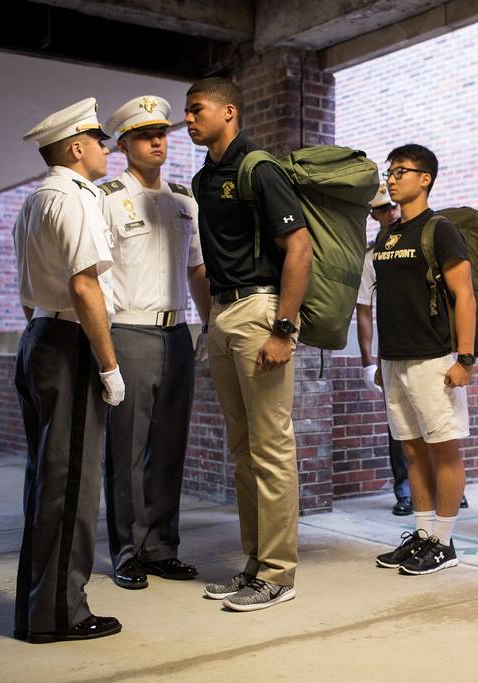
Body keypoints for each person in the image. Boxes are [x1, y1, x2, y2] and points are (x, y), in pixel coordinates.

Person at [186, 77, 312, 610]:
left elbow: (299, 248)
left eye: (196, 110)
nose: (188, 120)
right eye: (187, 112)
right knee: (243, 451)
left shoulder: (258, 168)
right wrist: (212, 318)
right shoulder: (202, 178)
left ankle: (279, 574)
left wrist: (284, 329)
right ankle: (255, 564)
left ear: (228, 111)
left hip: (261, 310)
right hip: (222, 313)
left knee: (271, 447)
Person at [13, 97, 125, 643]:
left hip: (38, 337)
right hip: (70, 343)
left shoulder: (35, 201)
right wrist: (108, 365)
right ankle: (62, 615)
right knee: (72, 485)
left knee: (45, 482)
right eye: (100, 140)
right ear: (76, 148)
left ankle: (35, 610)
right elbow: (85, 287)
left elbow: (28, 293)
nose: (107, 148)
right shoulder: (77, 199)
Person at [99, 96, 213, 589]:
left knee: (169, 446)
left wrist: (209, 325)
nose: (158, 141)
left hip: (177, 333)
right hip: (127, 330)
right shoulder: (106, 198)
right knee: (127, 447)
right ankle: (128, 552)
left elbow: (197, 271)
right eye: (146, 135)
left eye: (163, 133)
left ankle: (161, 546)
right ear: (124, 143)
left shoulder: (185, 202)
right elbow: (94, 276)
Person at [371, 144, 476, 574]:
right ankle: (422, 534)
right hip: (395, 358)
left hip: (434, 359)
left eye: (401, 171)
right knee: (412, 451)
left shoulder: (440, 230)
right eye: (389, 171)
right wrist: (381, 359)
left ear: (425, 178)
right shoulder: (387, 234)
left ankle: (445, 543)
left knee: (443, 451)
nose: (392, 179)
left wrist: (466, 359)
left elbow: (464, 295)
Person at [357, 184, 413, 516]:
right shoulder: (371, 256)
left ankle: (444, 488)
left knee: (435, 420)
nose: (391, 212)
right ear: (373, 214)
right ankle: (404, 491)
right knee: (399, 424)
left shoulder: (421, 237)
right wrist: (367, 360)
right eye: (384, 208)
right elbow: (364, 308)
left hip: (427, 346)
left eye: (394, 206)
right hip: (391, 350)